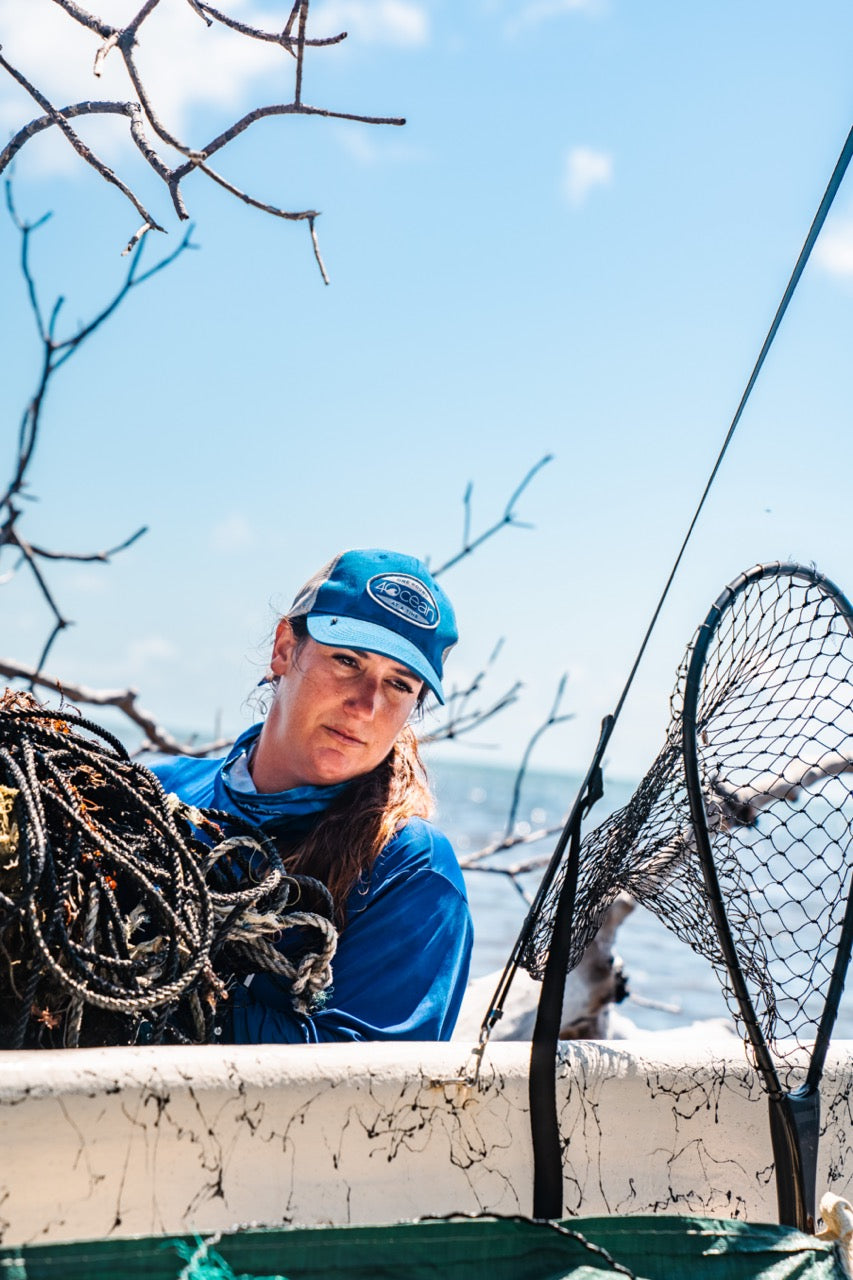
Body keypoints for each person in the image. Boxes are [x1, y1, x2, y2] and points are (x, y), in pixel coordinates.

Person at [151, 548, 473, 1044]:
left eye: (398, 685)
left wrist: (153, 979)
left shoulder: (412, 870)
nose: (365, 705)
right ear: (284, 649)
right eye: (347, 660)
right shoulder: (158, 790)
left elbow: (367, 1091)